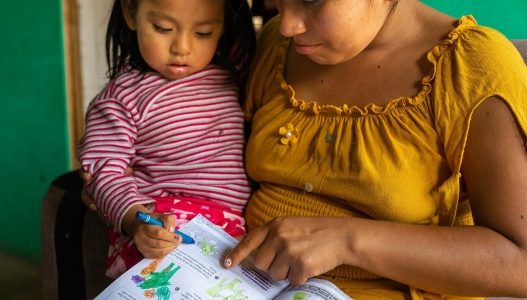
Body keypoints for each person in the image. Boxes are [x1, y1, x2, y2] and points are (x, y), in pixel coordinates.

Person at [83, 0, 527, 299]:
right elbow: (210, 144)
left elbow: (520, 262)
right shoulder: (279, 42)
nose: (288, 24)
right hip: (232, 278)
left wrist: (347, 240)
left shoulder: (469, 67)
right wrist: (121, 189)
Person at [77, 0, 256, 279]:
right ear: (130, 11)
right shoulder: (121, 98)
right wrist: (136, 222)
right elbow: (104, 172)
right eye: (163, 28)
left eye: (203, 33)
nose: (182, 47)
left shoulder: (235, 76)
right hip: (162, 228)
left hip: (232, 236)